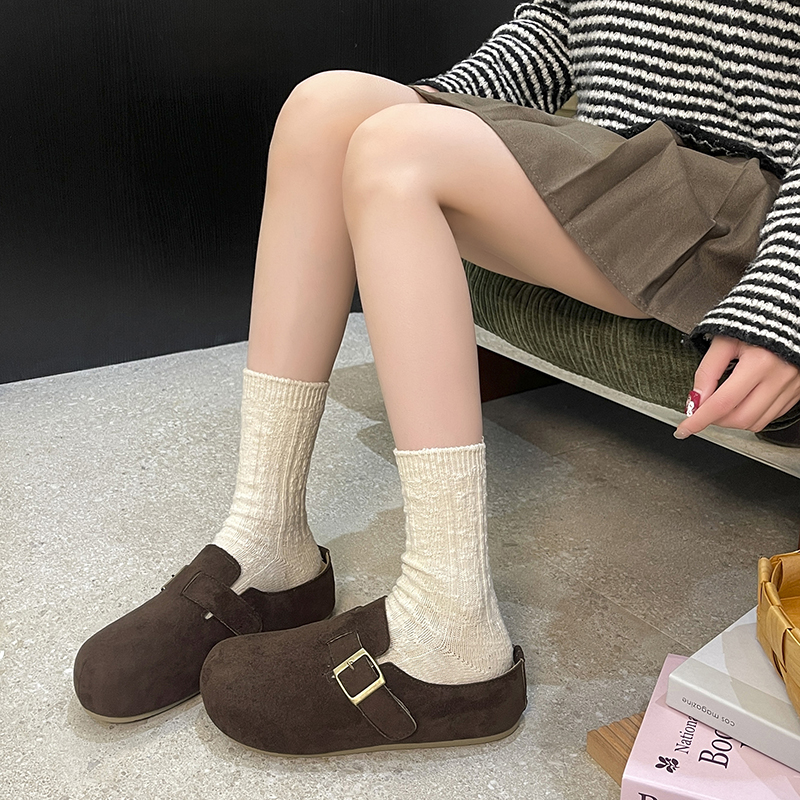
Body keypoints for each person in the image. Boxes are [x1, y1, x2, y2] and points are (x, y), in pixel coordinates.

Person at [74, 0, 800, 757]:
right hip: (606, 158)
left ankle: (452, 628)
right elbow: (559, 24)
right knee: (324, 110)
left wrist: (785, 299)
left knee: (395, 152)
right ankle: (268, 538)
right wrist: (440, 110)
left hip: (745, 199)